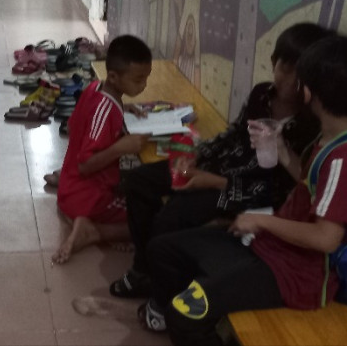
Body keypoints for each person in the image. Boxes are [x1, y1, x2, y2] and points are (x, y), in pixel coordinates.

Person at [140, 35, 347, 346]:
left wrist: (260, 221)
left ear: (310, 92)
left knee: (184, 315)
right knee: (162, 249)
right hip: (271, 248)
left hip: (294, 275)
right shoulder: (334, 138)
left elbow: (327, 238)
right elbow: (311, 183)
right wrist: (280, 149)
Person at [109, 23, 332, 299]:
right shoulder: (262, 95)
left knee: (173, 215)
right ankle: (145, 267)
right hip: (217, 168)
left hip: (244, 192)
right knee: (139, 181)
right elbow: (233, 134)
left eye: (301, 74)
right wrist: (194, 155)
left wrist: (215, 182)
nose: (290, 81)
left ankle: (159, 282)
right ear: (274, 62)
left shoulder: (310, 125)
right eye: (285, 68)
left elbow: (278, 191)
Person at [51, 35, 154, 265]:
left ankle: (83, 220)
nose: (144, 85)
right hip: (87, 197)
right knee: (152, 219)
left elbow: (79, 123)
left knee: (140, 194)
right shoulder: (105, 111)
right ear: (114, 77)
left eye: (146, 78)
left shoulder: (95, 89)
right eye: (138, 80)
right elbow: (85, 166)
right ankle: (93, 231)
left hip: (73, 187)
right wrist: (120, 148)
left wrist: (122, 107)